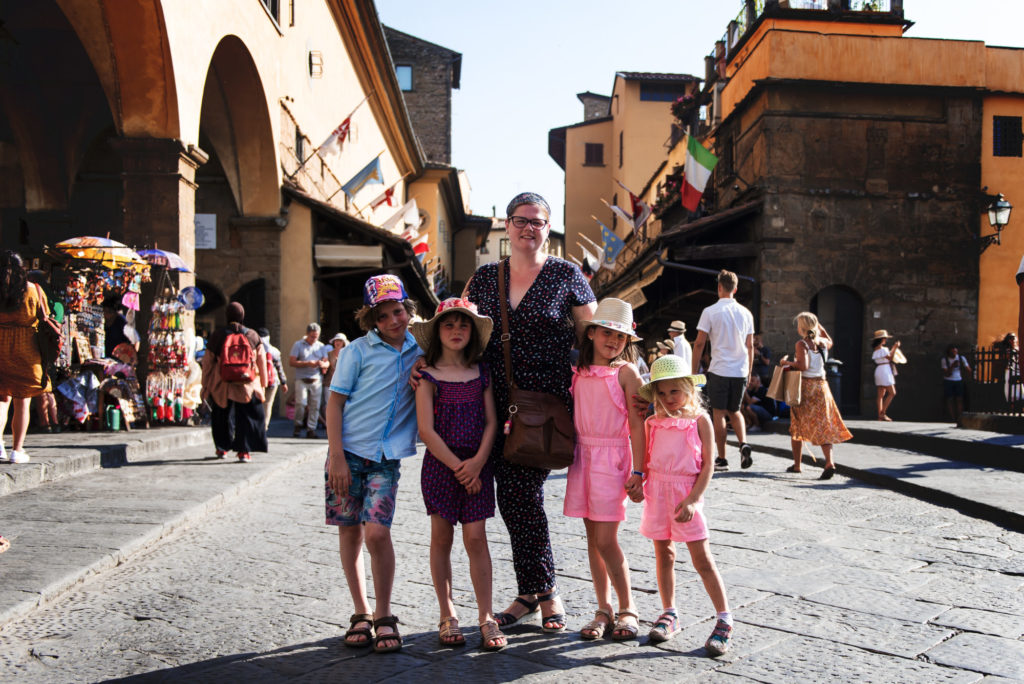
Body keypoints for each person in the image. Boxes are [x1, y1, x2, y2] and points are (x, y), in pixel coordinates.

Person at [464, 191, 597, 633]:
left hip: (547, 407)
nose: (528, 228)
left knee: (522, 495)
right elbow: (457, 330)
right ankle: (533, 591)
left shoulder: (567, 274)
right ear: (507, 225)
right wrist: (425, 364)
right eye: (521, 220)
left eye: (537, 222)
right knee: (513, 499)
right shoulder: (484, 279)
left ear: (547, 227)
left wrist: (623, 386)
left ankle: (543, 590)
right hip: (491, 405)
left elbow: (594, 338)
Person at [325, 275, 420, 654]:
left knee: (377, 533)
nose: (393, 320)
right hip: (345, 456)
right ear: (372, 321)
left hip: (385, 458)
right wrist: (335, 456)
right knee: (350, 531)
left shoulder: (420, 349)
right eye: (383, 316)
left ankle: (385, 614)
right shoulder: (357, 352)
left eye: (398, 311)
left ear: (408, 310)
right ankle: (361, 612)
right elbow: (335, 403)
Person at [411, 297, 506, 652]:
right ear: (437, 331)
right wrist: (459, 468)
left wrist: (478, 462)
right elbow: (426, 431)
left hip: (478, 467)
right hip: (441, 467)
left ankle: (486, 615)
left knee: (477, 539)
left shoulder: (482, 372)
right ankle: (447, 612)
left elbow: (492, 421)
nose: (456, 331)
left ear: (472, 332)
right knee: (441, 538)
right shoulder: (426, 375)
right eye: (449, 325)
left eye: (463, 325)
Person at [636, 355, 733, 656]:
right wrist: (638, 482)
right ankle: (670, 612)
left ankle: (725, 618)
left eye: (674, 392)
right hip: (658, 493)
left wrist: (692, 500)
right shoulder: (652, 422)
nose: (668, 399)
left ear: (689, 390)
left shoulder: (701, 421)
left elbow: (707, 467)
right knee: (663, 553)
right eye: (661, 394)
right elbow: (648, 461)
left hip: (685, 494)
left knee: (702, 559)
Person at [566, 298, 645, 642]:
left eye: (621, 336)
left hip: (612, 459)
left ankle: (628, 607)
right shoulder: (578, 371)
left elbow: (639, 426)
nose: (613, 340)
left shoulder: (626, 373)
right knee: (592, 540)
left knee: (606, 539)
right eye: (608, 332)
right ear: (593, 332)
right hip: (583, 457)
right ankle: (604, 608)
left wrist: (640, 471)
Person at [692, 270, 755, 472]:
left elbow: (700, 342)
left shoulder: (710, 311)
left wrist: (695, 371)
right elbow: (750, 345)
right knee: (735, 411)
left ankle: (722, 458)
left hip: (719, 369)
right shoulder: (746, 313)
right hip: (740, 370)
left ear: (719, 287)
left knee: (718, 413)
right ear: (735, 289)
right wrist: (749, 371)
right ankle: (743, 442)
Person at [779, 313, 852, 479]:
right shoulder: (822, 343)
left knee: (797, 424)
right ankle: (829, 462)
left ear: (802, 327)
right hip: (822, 387)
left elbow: (802, 366)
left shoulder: (802, 343)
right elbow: (830, 340)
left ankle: (797, 465)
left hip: (806, 387)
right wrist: (820, 328)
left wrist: (786, 363)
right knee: (823, 425)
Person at [0, 250, 51, 464]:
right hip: (26, 351)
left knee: (1, 400)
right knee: (22, 401)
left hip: (0, 347)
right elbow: (45, 315)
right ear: (24, 269)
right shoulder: (34, 290)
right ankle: (17, 450)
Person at [200, 302, 268, 462]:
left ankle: (221, 448)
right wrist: (263, 384)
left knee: (221, 416)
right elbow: (262, 361)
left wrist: (205, 386)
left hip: (222, 383)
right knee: (246, 417)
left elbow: (208, 363)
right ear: (242, 316)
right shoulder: (252, 335)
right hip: (247, 383)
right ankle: (244, 451)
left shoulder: (218, 335)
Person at [289, 323, 329, 438]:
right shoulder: (298, 345)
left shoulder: (321, 346)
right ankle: (298, 425)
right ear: (307, 334)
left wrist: (323, 364)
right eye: (312, 336)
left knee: (315, 405)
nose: (314, 339)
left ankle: (311, 428)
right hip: (302, 378)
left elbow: (327, 362)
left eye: (316, 336)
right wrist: (307, 363)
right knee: (301, 403)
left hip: (316, 378)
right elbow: (292, 362)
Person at [257, 327, 288, 430]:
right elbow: (280, 368)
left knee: (258, 403)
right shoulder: (274, 351)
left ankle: (258, 425)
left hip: (258, 381)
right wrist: (283, 382)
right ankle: (264, 426)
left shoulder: (254, 349)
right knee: (268, 404)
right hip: (272, 381)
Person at [321, 333, 348, 427]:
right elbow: (325, 366)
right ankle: (329, 424)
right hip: (329, 383)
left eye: (340, 341)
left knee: (342, 405)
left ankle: (339, 424)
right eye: (336, 341)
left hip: (343, 384)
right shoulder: (328, 354)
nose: (338, 342)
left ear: (343, 343)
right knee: (328, 404)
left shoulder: (348, 354)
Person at [871, 329, 899, 421]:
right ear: (882, 339)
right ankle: (883, 413)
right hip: (885, 370)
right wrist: (895, 347)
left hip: (879, 370)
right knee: (892, 392)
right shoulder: (883, 349)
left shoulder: (876, 350)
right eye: (885, 338)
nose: (885, 340)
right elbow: (890, 357)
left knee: (880, 394)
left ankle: (880, 415)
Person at [941, 344, 972, 422]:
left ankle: (959, 417)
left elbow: (968, 369)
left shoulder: (961, 358)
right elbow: (946, 373)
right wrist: (952, 366)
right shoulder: (945, 360)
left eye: (955, 351)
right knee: (950, 399)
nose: (955, 353)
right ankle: (952, 418)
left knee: (959, 399)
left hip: (958, 380)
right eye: (953, 351)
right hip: (948, 380)